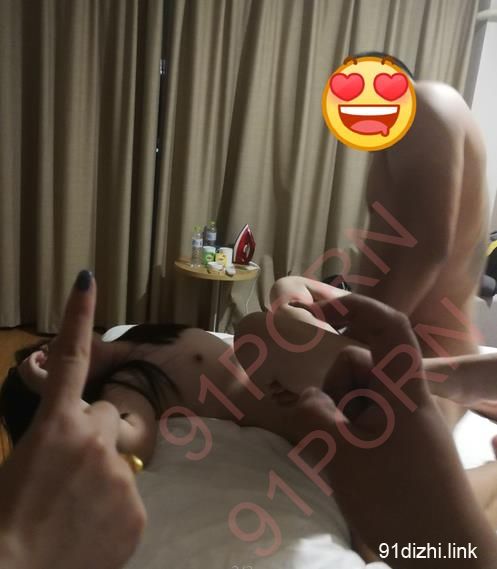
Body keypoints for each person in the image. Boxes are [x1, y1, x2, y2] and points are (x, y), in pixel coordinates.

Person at [0, 270, 146, 569]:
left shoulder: (125, 337)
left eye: (44, 350)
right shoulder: (125, 385)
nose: (58, 345)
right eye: (50, 366)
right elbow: (136, 440)